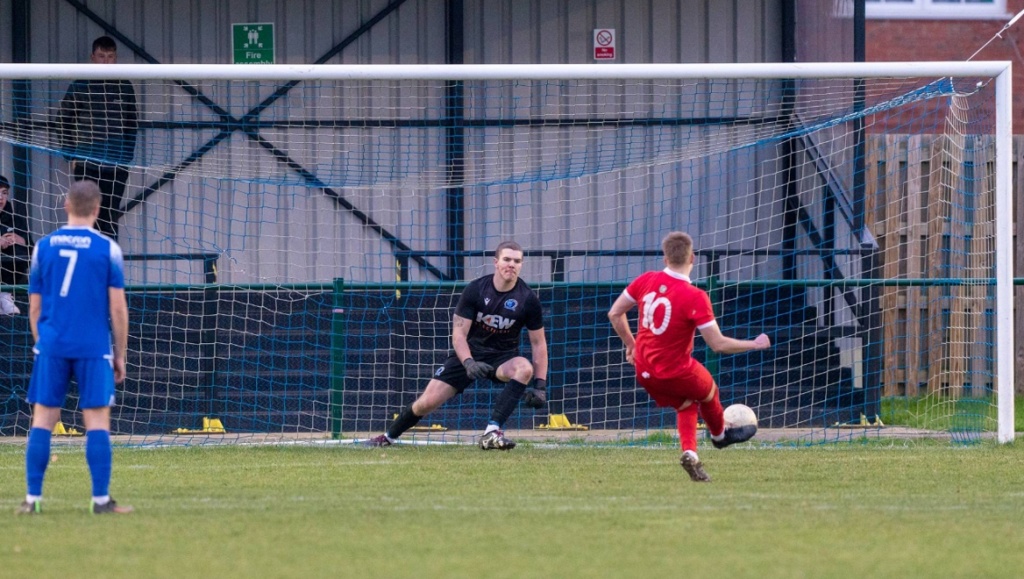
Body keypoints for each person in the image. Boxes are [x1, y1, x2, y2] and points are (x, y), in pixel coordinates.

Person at [607, 232, 770, 482]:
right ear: (693, 258)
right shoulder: (695, 296)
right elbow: (718, 344)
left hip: (644, 369)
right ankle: (719, 437)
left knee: (686, 404)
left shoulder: (646, 280)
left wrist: (632, 345)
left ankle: (690, 453)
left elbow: (615, 313)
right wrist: (754, 344)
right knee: (709, 392)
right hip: (676, 369)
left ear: (665, 258)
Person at [16, 180, 131, 515]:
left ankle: (32, 499)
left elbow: (34, 307)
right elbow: (118, 308)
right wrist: (120, 353)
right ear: (96, 209)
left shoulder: (43, 247)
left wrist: (44, 344)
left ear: (66, 205)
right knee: (96, 421)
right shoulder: (107, 249)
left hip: (52, 344)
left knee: (42, 420)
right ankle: (100, 501)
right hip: (93, 346)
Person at [367, 240, 549, 450]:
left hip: (502, 358)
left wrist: (540, 386)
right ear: (496, 262)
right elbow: (459, 335)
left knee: (524, 368)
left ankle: (492, 431)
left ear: (521, 265)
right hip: (467, 355)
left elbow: (538, 344)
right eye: (506, 259)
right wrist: (469, 362)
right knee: (426, 403)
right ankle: (388, 437)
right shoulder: (476, 290)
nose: (511, 265)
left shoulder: (528, 299)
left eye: (517, 261)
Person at [56, 35, 138, 241]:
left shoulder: (124, 86)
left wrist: (126, 155)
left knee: (109, 217)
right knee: (86, 215)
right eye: (102, 56)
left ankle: (108, 264)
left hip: (115, 164)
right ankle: (86, 263)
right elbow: (62, 119)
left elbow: (132, 122)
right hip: (87, 162)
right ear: (93, 57)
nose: (106, 61)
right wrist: (70, 154)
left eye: (110, 56)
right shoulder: (81, 85)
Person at [0, 175, 31, 315]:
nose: (1, 197)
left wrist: (22, 240)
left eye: (4, 193)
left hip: (11, 276)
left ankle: (5, 294)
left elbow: (33, 250)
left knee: (18, 248)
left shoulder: (16, 220)